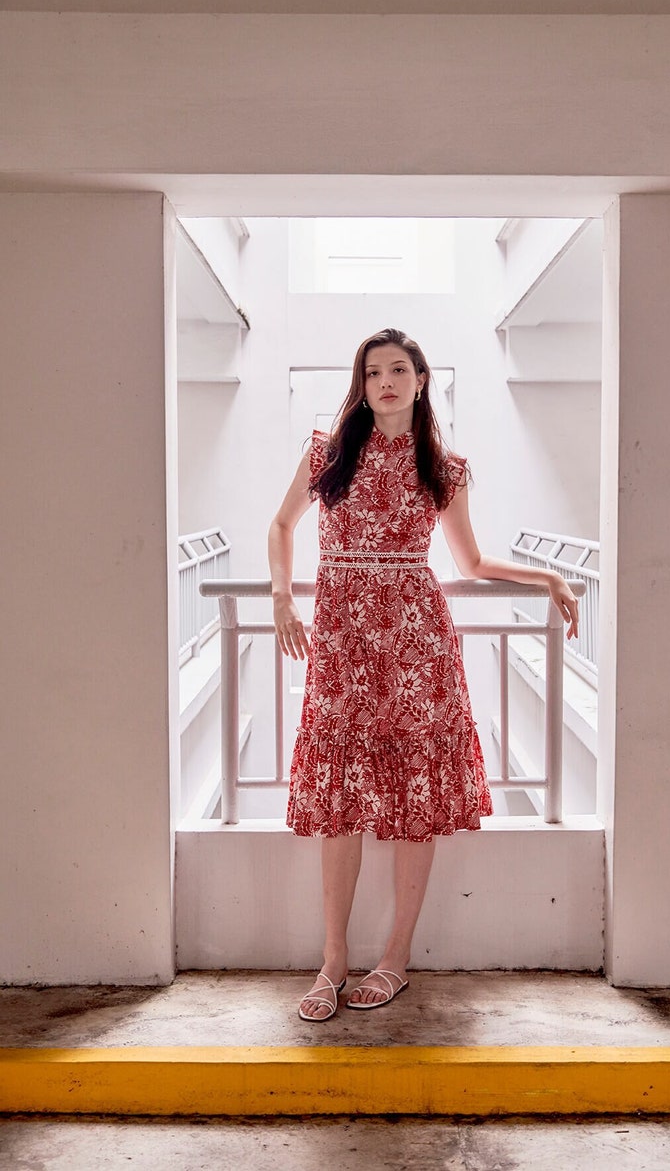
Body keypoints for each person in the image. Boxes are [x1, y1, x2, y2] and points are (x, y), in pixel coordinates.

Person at [268, 327, 579, 1021]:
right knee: (342, 797)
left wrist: (548, 575)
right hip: (343, 637)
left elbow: (472, 563)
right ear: (362, 381)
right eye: (374, 370)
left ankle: (395, 958)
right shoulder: (327, 453)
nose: (385, 380)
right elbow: (282, 526)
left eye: (398, 369)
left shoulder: (444, 464)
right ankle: (332, 959)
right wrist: (283, 596)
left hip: (416, 642)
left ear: (420, 379)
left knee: (413, 797)